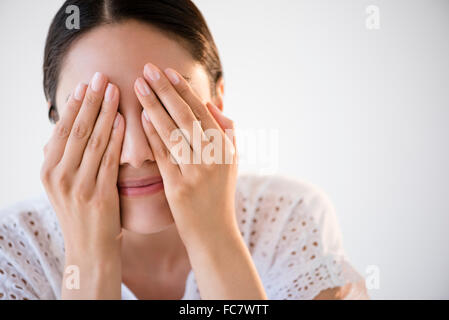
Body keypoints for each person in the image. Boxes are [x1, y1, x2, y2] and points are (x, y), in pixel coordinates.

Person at [0, 0, 368, 300]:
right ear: (58, 121)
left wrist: (214, 237)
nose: (135, 153)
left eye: (165, 107)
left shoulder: (290, 218)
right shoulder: (13, 250)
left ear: (217, 101)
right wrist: (90, 260)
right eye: (100, 117)